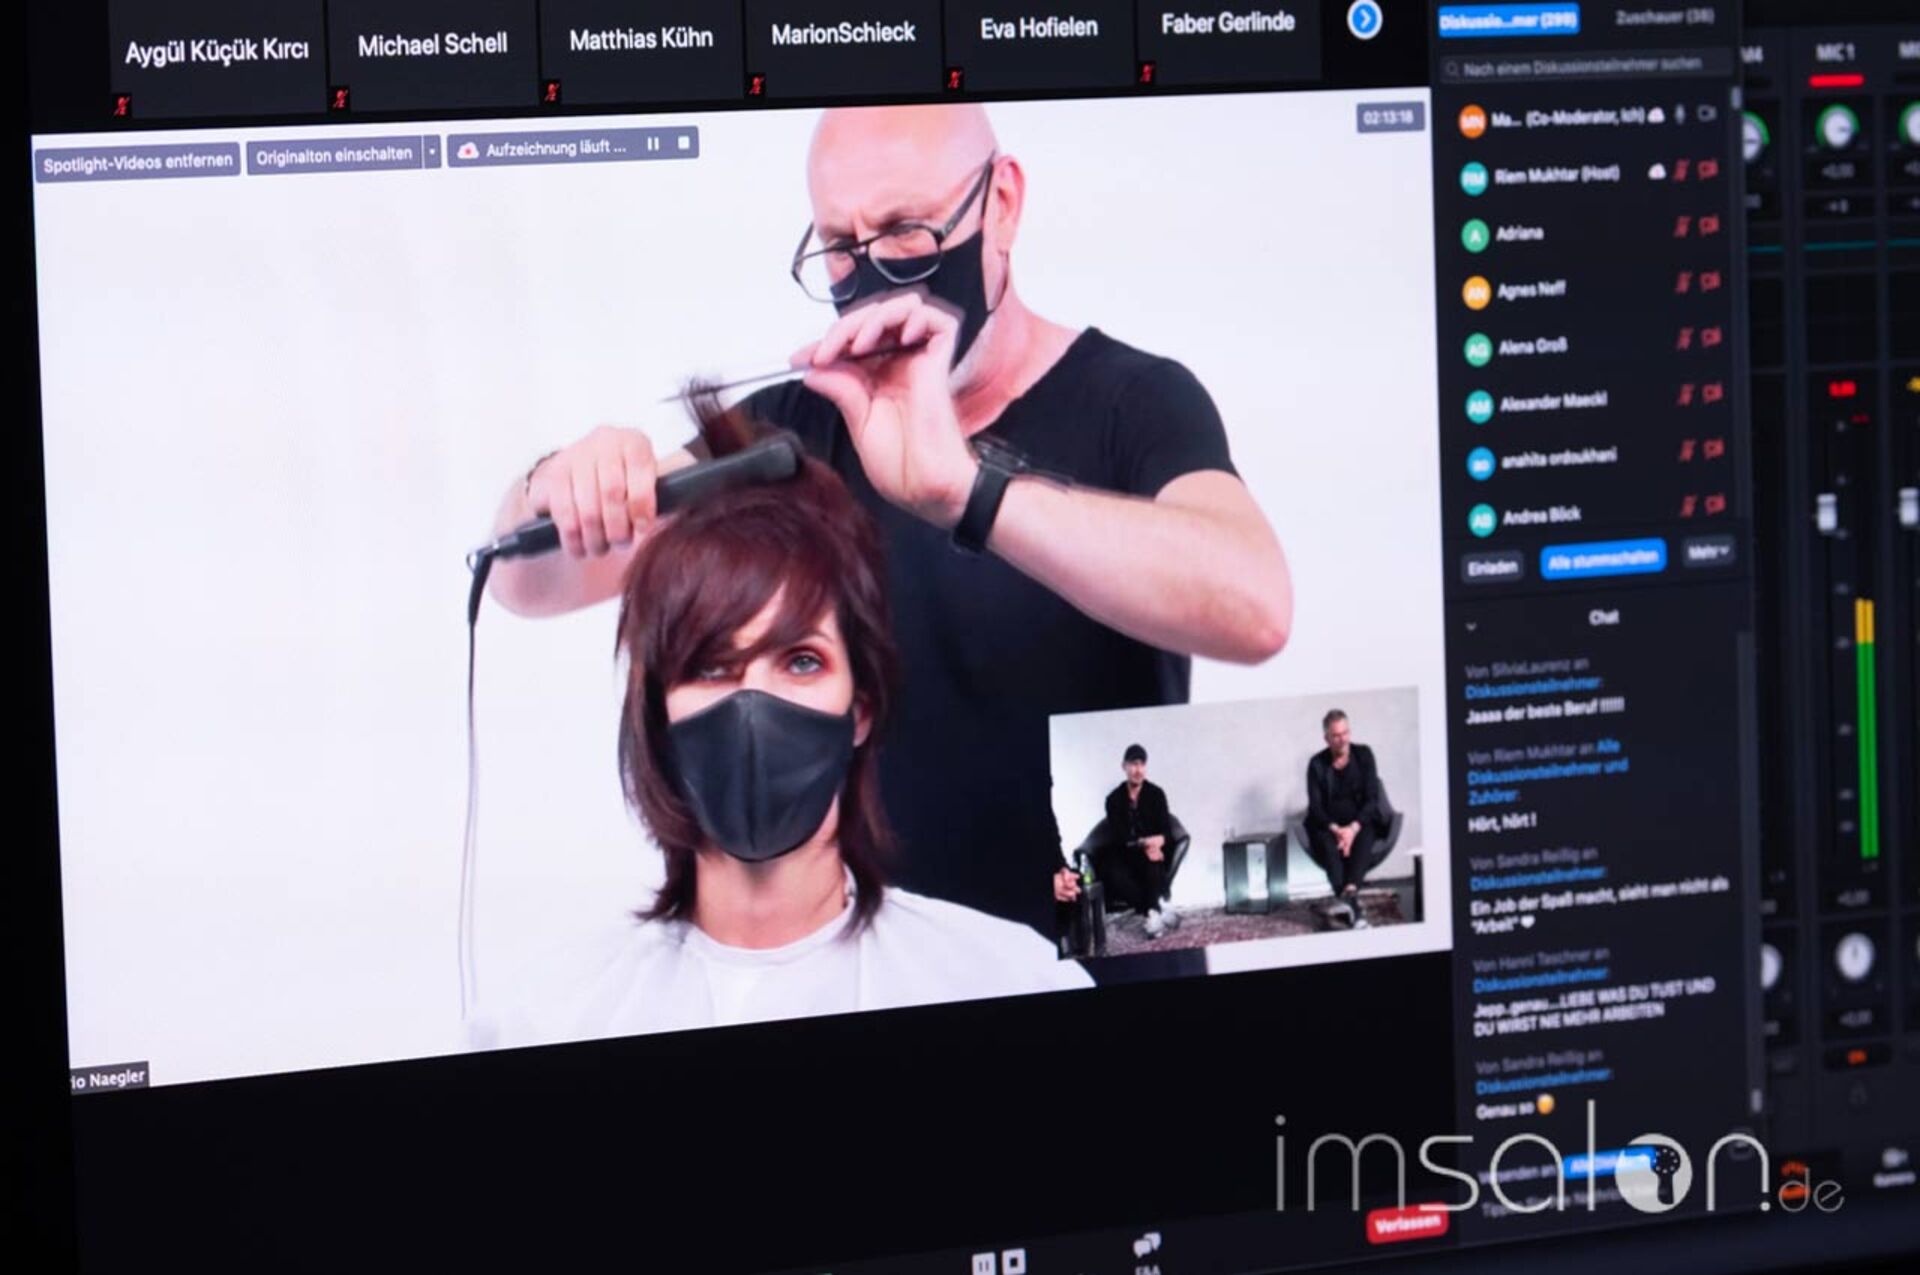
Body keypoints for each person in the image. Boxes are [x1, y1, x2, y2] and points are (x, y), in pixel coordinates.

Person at [486, 104, 1291, 940]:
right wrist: (559, 483)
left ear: (1002, 203)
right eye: (840, 245)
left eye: (907, 230)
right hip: (881, 972)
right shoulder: (792, 433)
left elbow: (1257, 608)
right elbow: (527, 579)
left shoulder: (1136, 402)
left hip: (1097, 969)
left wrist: (965, 490)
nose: (874, 273)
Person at [470, 392, 1090, 1048]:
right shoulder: (547, 1016)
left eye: (800, 661)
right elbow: (521, 578)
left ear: (860, 707)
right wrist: (556, 484)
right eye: (712, 666)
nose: (754, 703)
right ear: (657, 713)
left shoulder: (1009, 978)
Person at [1056, 743, 1181, 939]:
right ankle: (1157, 909)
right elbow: (1121, 837)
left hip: (1151, 854)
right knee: (1111, 870)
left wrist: (1159, 840)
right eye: (1133, 764)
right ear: (1124, 766)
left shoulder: (1157, 794)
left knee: (1154, 860)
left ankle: (1153, 914)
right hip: (1126, 855)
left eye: (1142, 764)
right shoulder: (1113, 800)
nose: (1138, 770)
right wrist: (1145, 843)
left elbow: (1167, 831)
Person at [1304, 710, 1395, 924]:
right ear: (1326, 738)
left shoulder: (1364, 755)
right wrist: (1337, 830)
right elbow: (1316, 807)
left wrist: (1352, 830)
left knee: (1366, 835)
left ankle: (1349, 895)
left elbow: (1372, 798)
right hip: (1329, 826)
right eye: (1336, 735)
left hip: (1360, 822)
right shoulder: (1316, 764)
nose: (1343, 739)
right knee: (1328, 846)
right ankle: (1352, 902)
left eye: (1345, 733)